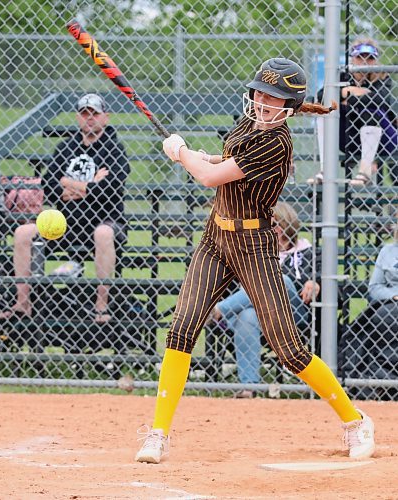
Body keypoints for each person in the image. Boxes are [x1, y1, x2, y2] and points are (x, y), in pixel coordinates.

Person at [135, 58, 375, 464]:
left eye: (274, 97)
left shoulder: (276, 143)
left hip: (253, 245)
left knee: (289, 350)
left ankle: (354, 421)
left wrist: (179, 153)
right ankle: (158, 433)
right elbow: (221, 167)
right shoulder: (248, 124)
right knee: (181, 328)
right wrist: (197, 154)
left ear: (290, 105)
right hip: (216, 238)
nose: (263, 102)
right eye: (261, 93)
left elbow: (210, 179)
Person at [0, 93, 130, 323]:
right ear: (78, 117)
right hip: (65, 224)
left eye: (95, 113)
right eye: (84, 113)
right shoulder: (66, 147)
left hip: (104, 220)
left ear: (105, 117)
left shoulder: (115, 149)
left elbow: (109, 189)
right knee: (22, 233)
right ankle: (22, 302)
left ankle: (101, 305)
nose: (89, 118)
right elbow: (48, 185)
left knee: (103, 233)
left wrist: (67, 183)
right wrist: (90, 185)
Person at [211, 201, 321, 397]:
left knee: (280, 279)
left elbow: (335, 291)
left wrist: (315, 281)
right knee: (247, 317)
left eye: (273, 224)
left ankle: (219, 311)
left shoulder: (310, 252)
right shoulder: (252, 252)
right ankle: (249, 387)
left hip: (293, 315)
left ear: (286, 225)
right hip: (260, 314)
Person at [309, 38, 397, 186]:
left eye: (370, 58)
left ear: (375, 61)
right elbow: (322, 96)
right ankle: (325, 171)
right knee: (324, 112)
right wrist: (348, 91)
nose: (364, 61)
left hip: (385, 140)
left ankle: (364, 172)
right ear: (353, 58)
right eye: (360, 57)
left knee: (371, 112)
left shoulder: (382, 76)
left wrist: (344, 97)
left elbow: (379, 100)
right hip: (351, 137)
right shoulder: (342, 75)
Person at [340, 223, 398, 398]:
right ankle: (386, 380)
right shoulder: (388, 252)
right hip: (392, 305)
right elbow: (375, 288)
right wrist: (394, 295)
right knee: (385, 316)